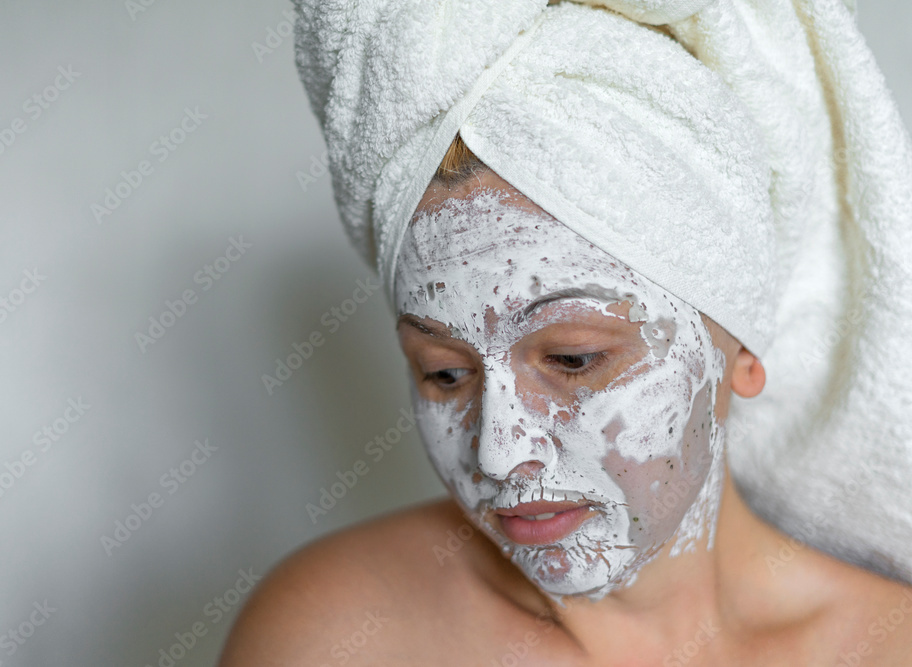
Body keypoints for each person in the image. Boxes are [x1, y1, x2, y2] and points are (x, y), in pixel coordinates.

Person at [222, 0, 912, 663]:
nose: (498, 451)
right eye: (444, 371)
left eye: (574, 359)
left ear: (743, 347)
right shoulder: (336, 634)